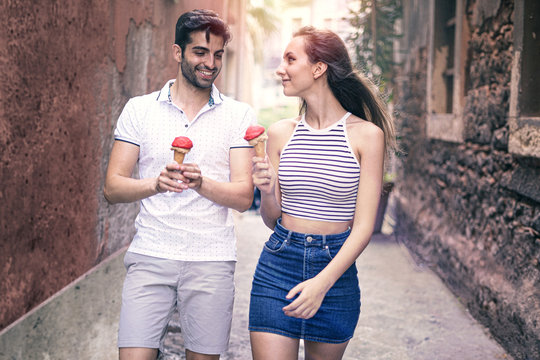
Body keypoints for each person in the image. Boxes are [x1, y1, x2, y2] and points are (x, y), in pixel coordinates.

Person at [104, 9, 256, 360]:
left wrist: (202, 184)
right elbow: (113, 187)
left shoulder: (239, 115)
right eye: (200, 52)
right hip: (151, 254)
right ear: (178, 53)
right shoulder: (139, 110)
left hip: (212, 259)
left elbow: (243, 196)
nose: (210, 63)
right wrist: (155, 184)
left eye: (217, 54)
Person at [248, 26, 396, 360]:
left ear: (318, 68)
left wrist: (322, 283)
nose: (280, 68)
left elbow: (363, 228)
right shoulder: (280, 134)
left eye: (290, 59)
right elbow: (272, 219)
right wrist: (268, 192)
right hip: (278, 264)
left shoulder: (367, 136)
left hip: (335, 272)